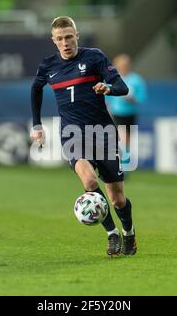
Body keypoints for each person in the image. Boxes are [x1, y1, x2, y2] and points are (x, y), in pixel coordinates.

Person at [30, 16, 136, 257]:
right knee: (89, 182)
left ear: (77, 35)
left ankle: (129, 232)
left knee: (118, 199)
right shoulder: (48, 66)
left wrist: (108, 87)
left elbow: (123, 87)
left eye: (69, 37)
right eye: (60, 39)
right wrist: (37, 124)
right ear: (53, 41)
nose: (65, 42)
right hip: (73, 134)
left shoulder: (95, 57)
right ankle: (112, 234)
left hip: (103, 134)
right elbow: (35, 89)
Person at [106, 54, 147, 170]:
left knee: (127, 141)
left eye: (125, 65)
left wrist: (131, 98)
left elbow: (141, 98)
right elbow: (107, 98)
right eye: (121, 65)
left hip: (131, 113)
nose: (123, 67)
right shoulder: (113, 79)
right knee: (122, 137)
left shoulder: (136, 80)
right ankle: (120, 165)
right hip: (117, 113)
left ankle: (124, 165)